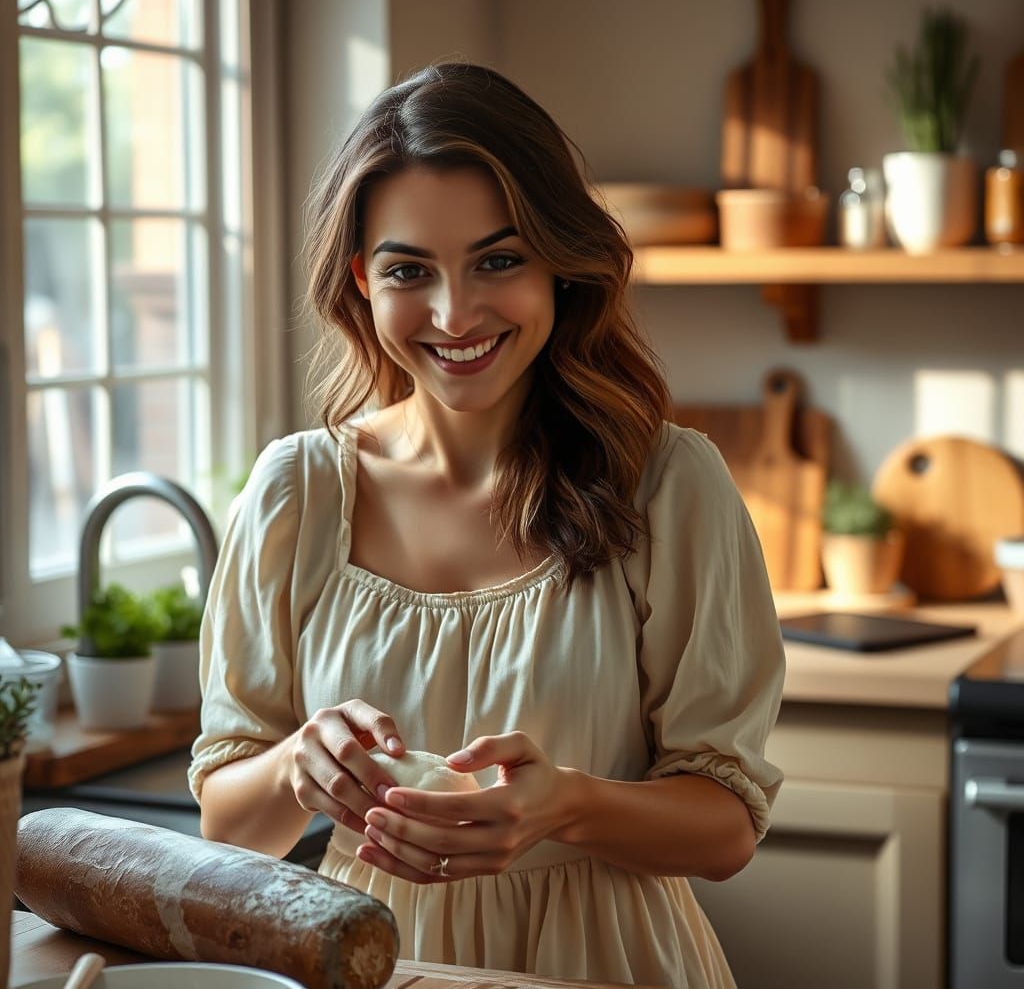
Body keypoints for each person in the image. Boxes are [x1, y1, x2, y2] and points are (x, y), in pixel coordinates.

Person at [189, 61, 785, 989]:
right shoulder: (294, 493)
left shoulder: (670, 485)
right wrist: (296, 767)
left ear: (559, 263)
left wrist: (562, 808)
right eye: (408, 270)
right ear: (362, 279)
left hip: (611, 964)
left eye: (497, 260)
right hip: (363, 956)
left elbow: (726, 830)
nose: (454, 313)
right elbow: (231, 829)